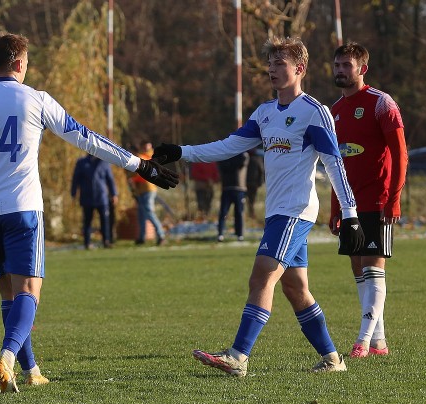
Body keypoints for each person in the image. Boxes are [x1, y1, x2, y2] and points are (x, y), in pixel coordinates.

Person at [0, 33, 178, 393]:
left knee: (8, 294)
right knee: (30, 290)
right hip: (23, 208)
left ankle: (31, 370)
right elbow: (85, 137)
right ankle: (7, 358)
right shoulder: (36, 99)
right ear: (19, 63)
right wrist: (139, 164)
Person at [153, 37, 364, 376]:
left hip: (296, 210)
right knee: (295, 288)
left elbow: (334, 163)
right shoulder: (265, 113)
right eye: (270, 64)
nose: (271, 70)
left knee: (261, 276)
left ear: (300, 69)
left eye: (280, 64)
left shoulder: (314, 112)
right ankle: (332, 359)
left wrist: (350, 214)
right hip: (276, 212)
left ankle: (238, 356)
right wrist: (182, 152)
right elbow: (228, 146)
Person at [330, 42, 407, 358]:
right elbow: (335, 164)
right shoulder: (334, 110)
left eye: (346, 65)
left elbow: (400, 155)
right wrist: (335, 208)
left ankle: (361, 342)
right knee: (358, 268)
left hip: (377, 200)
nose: (340, 70)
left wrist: (393, 199)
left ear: (362, 68)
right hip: (349, 205)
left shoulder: (381, 103)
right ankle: (378, 343)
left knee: (373, 268)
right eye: (337, 65)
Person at [71, 154, 118, 249]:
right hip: (87, 197)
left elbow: (110, 179)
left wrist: (114, 194)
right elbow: (76, 178)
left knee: (104, 220)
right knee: (87, 221)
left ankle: (106, 241)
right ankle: (87, 243)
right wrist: (73, 192)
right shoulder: (82, 162)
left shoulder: (104, 163)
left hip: (102, 197)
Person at [129, 140, 167, 246]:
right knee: (141, 214)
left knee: (149, 212)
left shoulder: (147, 157)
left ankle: (161, 235)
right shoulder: (143, 156)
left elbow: (139, 170)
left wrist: (131, 177)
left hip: (148, 189)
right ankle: (141, 237)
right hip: (141, 190)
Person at [217, 153, 249, 242]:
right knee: (223, 212)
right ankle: (220, 234)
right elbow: (222, 166)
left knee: (239, 212)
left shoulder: (243, 155)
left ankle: (240, 234)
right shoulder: (225, 154)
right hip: (226, 187)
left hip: (239, 188)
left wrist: (229, 163)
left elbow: (238, 165)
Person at [246, 148, 264, 219]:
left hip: (246, 182)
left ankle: (247, 213)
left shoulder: (246, 159)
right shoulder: (258, 160)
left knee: (245, 199)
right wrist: (260, 182)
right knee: (252, 199)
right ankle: (251, 213)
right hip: (254, 183)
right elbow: (261, 171)